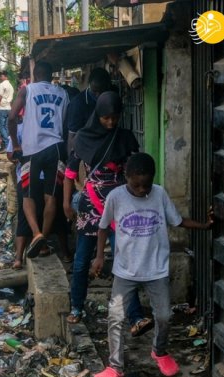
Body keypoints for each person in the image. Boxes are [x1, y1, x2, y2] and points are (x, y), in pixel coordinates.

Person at [91, 153, 212, 377]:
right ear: (126, 177)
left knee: (164, 315)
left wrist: (204, 226)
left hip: (156, 269)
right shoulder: (116, 197)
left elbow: (178, 221)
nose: (141, 190)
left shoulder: (159, 194)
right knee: (115, 317)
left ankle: (159, 351)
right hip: (125, 270)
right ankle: (115, 366)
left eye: (145, 185)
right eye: (136, 185)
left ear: (152, 180)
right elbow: (103, 227)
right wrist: (99, 257)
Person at [62, 92, 150, 332]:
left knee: (124, 262)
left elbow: (136, 172)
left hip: (119, 209)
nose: (111, 123)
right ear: (97, 115)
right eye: (106, 118)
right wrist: (66, 204)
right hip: (90, 208)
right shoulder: (82, 138)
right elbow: (70, 172)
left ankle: (135, 316)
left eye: (115, 117)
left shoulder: (125, 138)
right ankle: (76, 307)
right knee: (81, 262)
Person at [8, 61, 68, 258]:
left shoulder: (27, 90)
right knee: (51, 196)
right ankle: (44, 238)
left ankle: (37, 233)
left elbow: (11, 117)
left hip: (32, 150)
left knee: (28, 195)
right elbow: (66, 125)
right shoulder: (62, 93)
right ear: (51, 75)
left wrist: (16, 144)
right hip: (57, 147)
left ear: (34, 74)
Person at [7, 122, 71, 269]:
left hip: (27, 177)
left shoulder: (21, 128)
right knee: (57, 213)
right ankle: (63, 252)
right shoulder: (53, 128)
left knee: (24, 215)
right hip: (49, 176)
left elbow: (10, 155)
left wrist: (21, 155)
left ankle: (19, 258)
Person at [66, 68, 111, 154]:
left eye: (102, 91)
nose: (98, 95)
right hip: (85, 149)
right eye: (94, 91)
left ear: (108, 86)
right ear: (89, 84)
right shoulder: (78, 103)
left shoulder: (110, 97)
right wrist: (71, 162)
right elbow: (72, 136)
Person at [0, 70, 14, 152]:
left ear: (4, 76)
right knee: (5, 128)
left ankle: (6, 145)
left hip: (1, 108)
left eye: (1, 75)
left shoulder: (2, 85)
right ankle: (6, 145)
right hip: (8, 108)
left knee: (1, 127)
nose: (0, 77)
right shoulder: (10, 86)